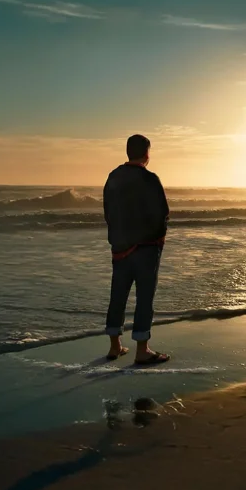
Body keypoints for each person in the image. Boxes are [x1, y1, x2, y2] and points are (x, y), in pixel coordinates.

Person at [102, 134, 171, 365]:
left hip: (121, 247)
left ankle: (115, 347)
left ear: (128, 151)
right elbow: (162, 212)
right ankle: (142, 349)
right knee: (144, 298)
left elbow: (108, 212)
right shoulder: (150, 179)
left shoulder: (113, 177)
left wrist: (116, 239)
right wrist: (159, 238)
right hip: (146, 247)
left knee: (118, 295)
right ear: (147, 153)